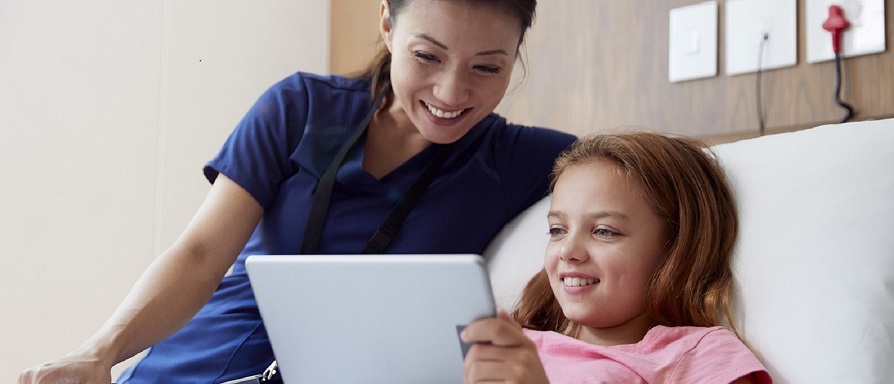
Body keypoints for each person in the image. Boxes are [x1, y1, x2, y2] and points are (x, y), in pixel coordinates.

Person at [19, 0, 575, 383]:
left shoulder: (515, 160)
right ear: (386, 21)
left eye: (487, 67)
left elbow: (650, 174)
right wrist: (100, 351)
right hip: (200, 357)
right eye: (427, 55)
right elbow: (200, 253)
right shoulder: (302, 108)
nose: (452, 92)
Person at [461, 132, 773, 383]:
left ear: (674, 247)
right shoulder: (514, 343)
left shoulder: (696, 356)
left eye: (604, 232)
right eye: (557, 230)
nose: (568, 251)